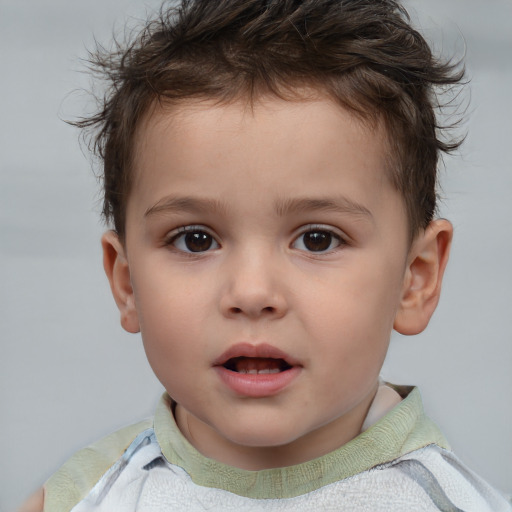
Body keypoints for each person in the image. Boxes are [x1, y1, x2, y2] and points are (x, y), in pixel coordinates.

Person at [19, 0, 511, 510]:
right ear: (126, 284)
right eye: (196, 239)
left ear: (416, 278)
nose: (252, 293)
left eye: (318, 239)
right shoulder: (79, 500)